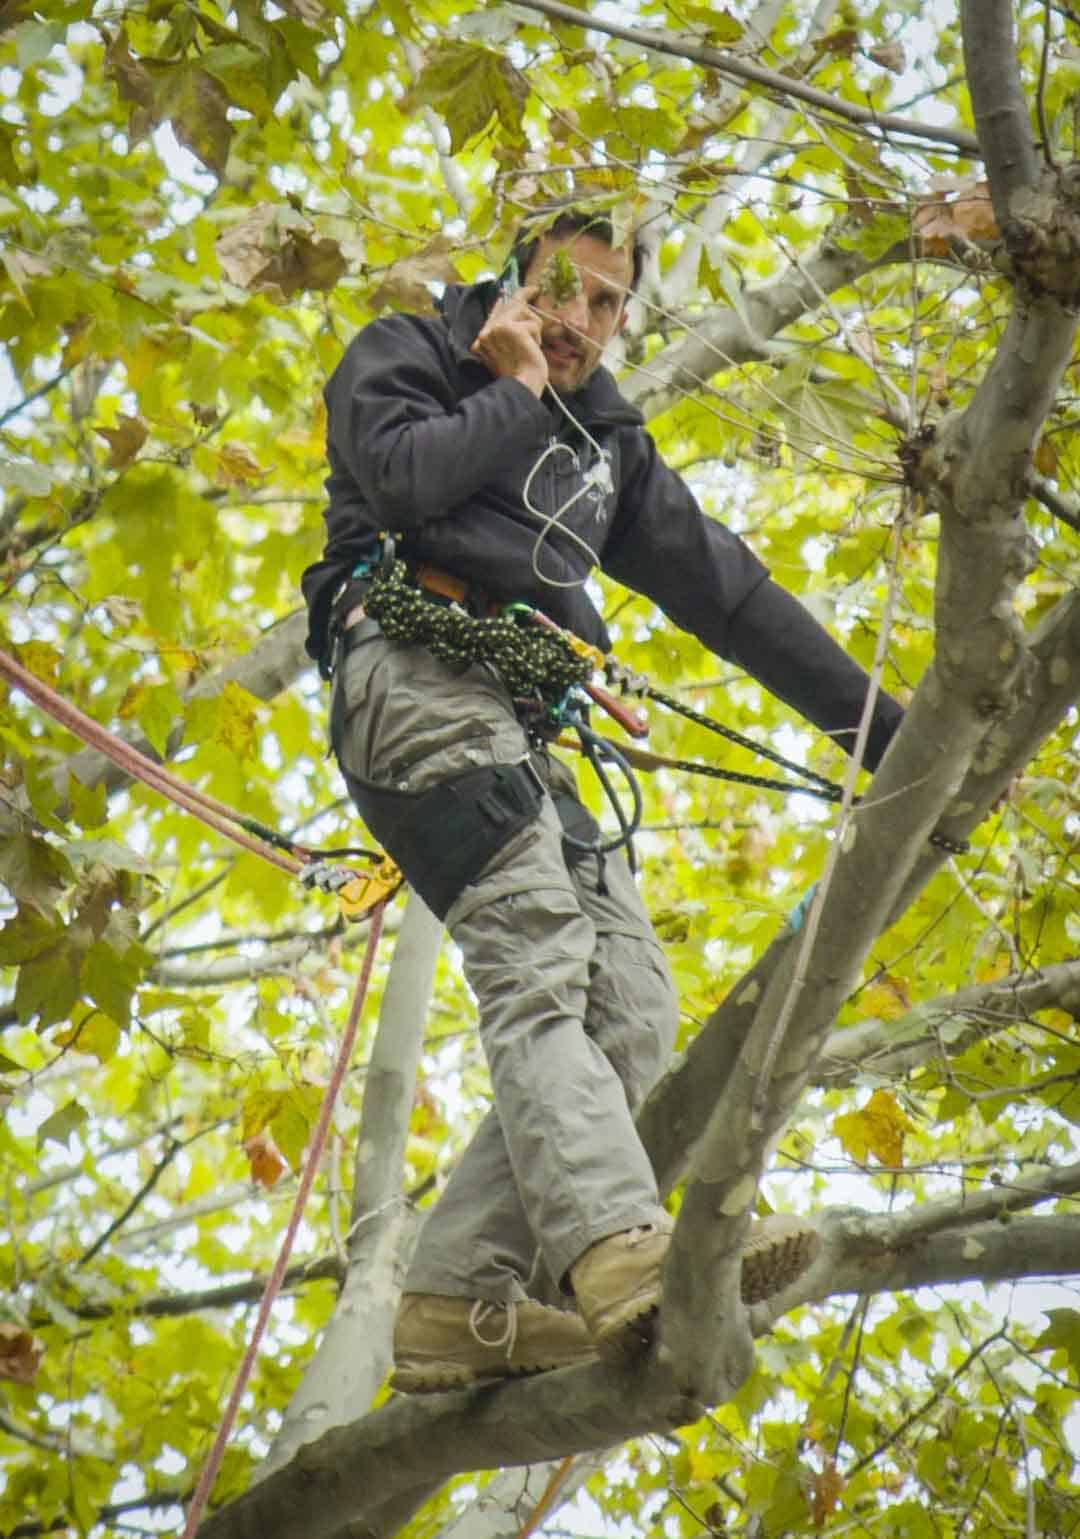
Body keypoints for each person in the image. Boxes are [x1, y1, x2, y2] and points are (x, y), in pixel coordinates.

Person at [301, 208, 903, 1394]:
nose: (577, 319)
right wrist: (513, 389)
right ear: (513, 281)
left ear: (629, 317)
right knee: (537, 954)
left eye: (605, 302)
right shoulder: (410, 353)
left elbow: (729, 598)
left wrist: (896, 736)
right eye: (557, 289)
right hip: (414, 679)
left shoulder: (607, 449)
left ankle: (455, 1297)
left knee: (629, 1002)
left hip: (519, 723)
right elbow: (406, 478)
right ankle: (621, 1247)